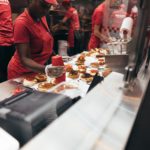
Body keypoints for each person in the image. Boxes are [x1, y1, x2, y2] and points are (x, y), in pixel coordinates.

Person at [8, 0, 64, 79]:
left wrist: (58, 59)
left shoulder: (42, 17)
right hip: (20, 73)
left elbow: (47, 45)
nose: (45, 11)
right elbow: (24, 59)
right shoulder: (21, 23)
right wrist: (46, 69)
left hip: (36, 70)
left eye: (48, 7)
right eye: (43, 5)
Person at [0, 0, 15, 82]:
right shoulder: (6, 1)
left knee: (3, 73)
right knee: (7, 71)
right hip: (10, 40)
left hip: (3, 41)